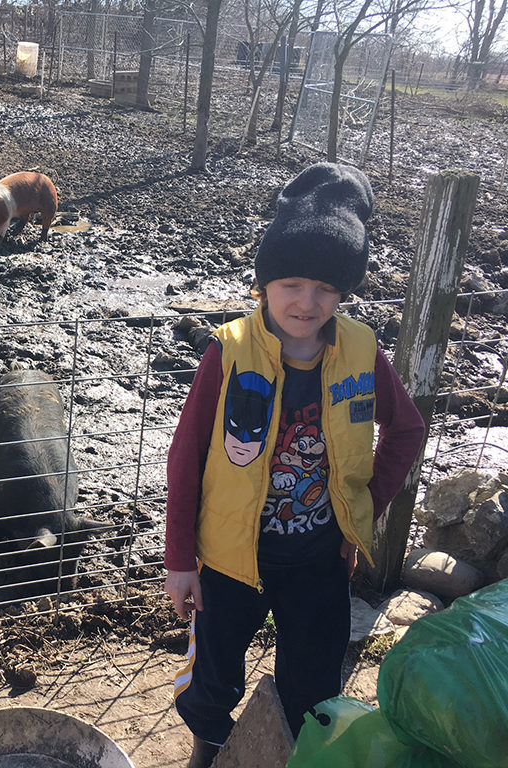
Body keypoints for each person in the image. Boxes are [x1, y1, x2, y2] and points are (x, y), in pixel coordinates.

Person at [163, 162, 426, 768]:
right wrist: (181, 560)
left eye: (327, 289)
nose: (307, 303)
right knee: (212, 678)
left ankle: (292, 754)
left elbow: (405, 429)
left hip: (318, 559)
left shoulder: (361, 351)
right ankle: (208, 749)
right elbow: (186, 459)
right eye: (291, 285)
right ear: (262, 284)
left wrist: (359, 512)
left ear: (344, 293)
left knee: (313, 682)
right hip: (230, 558)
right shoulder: (227, 353)